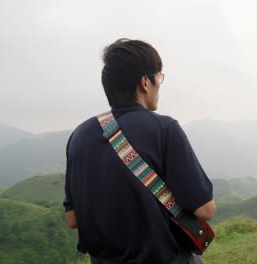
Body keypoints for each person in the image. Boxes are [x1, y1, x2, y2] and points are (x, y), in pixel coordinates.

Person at [63, 38, 216, 264]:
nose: (160, 84)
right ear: (145, 82)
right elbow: (205, 210)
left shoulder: (79, 136)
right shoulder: (165, 129)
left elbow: (73, 218)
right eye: (159, 77)